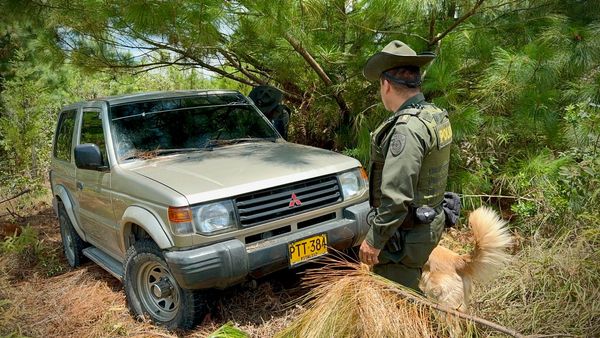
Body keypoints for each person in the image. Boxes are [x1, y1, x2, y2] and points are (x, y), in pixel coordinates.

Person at [358, 40, 453, 292]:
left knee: (396, 300)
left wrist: (374, 240)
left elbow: (396, 197)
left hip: (406, 238)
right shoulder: (434, 115)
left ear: (386, 85)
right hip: (429, 223)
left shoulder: (407, 129)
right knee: (412, 292)